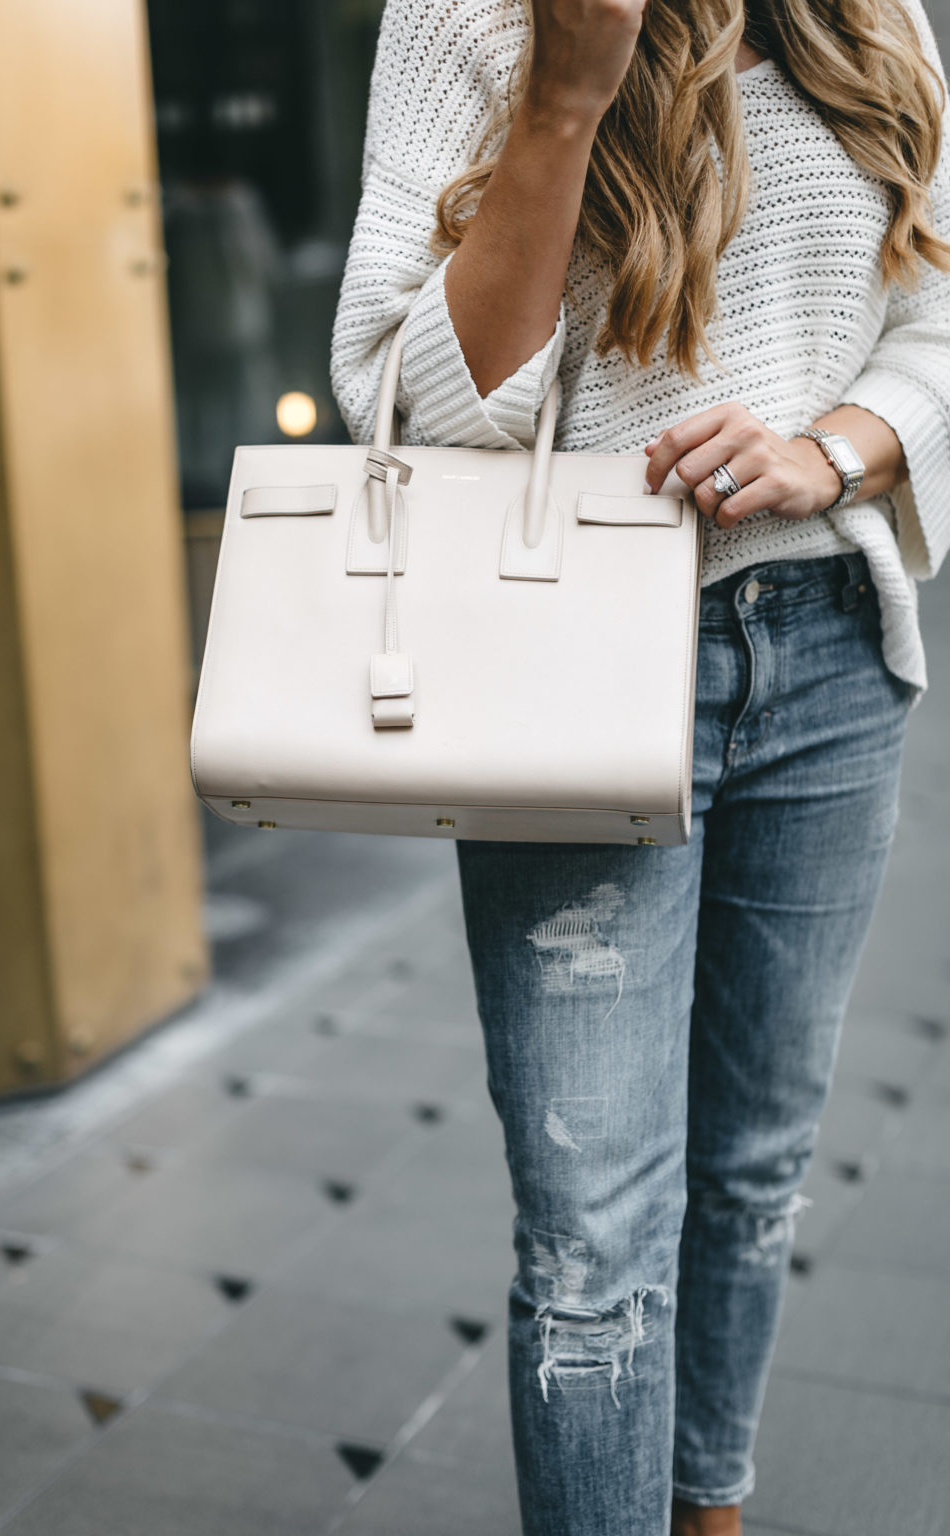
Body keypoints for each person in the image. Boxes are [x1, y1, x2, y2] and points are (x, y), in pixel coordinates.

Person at [330, 2, 950, 1532]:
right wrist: (565, 102)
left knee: (754, 1171)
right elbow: (407, 404)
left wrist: (845, 444)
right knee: (594, 1236)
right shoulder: (473, 18)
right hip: (578, 663)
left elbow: (936, 300)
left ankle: (708, 1511)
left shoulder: (867, 13)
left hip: (826, 648)